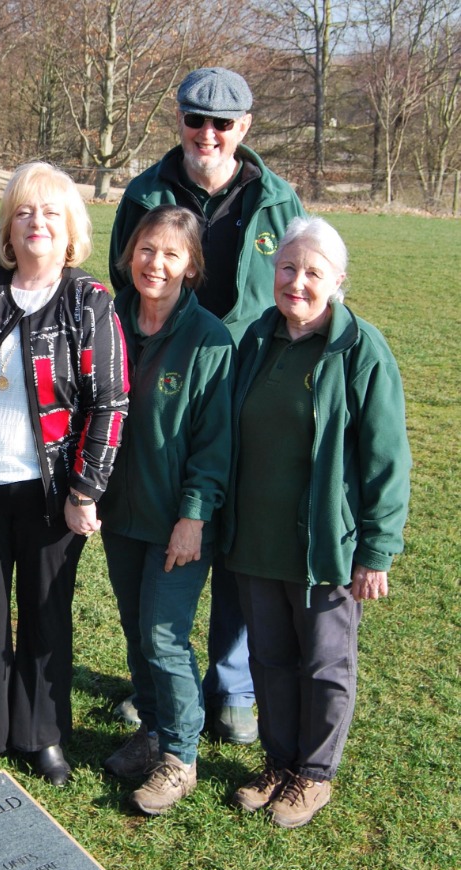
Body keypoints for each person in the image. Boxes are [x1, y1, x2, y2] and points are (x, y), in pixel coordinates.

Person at [109, 66, 305, 747]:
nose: (208, 134)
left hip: (251, 386)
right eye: (196, 120)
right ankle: (152, 687)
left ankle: (232, 684)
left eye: (223, 123)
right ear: (180, 121)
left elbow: (300, 289)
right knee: (171, 529)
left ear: (243, 128)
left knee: (237, 542)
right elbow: (124, 280)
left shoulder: (279, 201)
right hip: (176, 382)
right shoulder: (145, 193)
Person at [0, 162, 128, 786]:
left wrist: (85, 490)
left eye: (50, 214)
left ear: (71, 231)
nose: (36, 223)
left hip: (52, 497)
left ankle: (42, 734)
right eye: (23, 213)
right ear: (8, 229)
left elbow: (109, 403)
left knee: (46, 616)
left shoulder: (89, 301)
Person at [226, 217, 411, 827]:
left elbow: (387, 457)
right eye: (287, 268)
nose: (297, 282)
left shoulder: (361, 351)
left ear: (337, 281)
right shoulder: (258, 337)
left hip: (325, 546)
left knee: (327, 662)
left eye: (313, 272)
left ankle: (314, 773)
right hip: (256, 538)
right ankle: (279, 761)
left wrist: (377, 550)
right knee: (270, 659)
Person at [99, 206, 234, 815]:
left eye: (171, 255)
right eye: (147, 250)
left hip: (180, 520)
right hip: (120, 512)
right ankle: (153, 731)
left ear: (191, 267)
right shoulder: (106, 317)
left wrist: (194, 516)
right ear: (129, 254)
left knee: (163, 634)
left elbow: (215, 443)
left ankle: (180, 755)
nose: (156, 264)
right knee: (135, 629)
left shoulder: (208, 338)